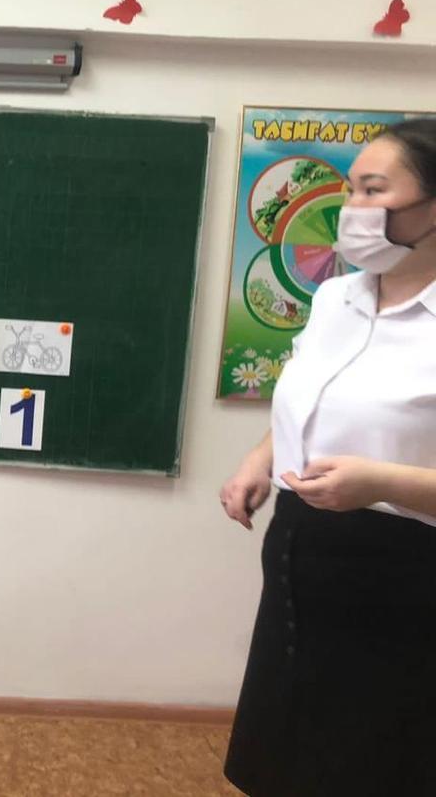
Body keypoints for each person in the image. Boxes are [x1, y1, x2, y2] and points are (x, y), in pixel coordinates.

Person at [221, 119, 436, 797]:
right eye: (350, 189)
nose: (352, 209)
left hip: (406, 578)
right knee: (289, 753)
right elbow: (313, 396)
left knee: (374, 762)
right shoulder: (336, 296)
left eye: (374, 190)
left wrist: (381, 482)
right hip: (303, 553)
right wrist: (262, 456)